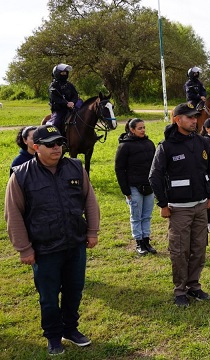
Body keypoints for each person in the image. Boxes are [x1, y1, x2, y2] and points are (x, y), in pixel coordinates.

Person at [5, 124, 100, 355]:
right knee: (48, 297)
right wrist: (24, 248)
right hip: (44, 249)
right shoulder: (21, 175)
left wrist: (92, 232)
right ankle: (53, 336)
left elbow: (90, 201)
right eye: (50, 145)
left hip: (75, 243)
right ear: (36, 147)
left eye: (59, 143)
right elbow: (13, 214)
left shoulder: (76, 167)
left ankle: (71, 329)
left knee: (74, 291)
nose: (57, 148)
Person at [148, 103, 210, 307]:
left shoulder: (202, 142)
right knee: (179, 251)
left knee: (199, 248)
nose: (194, 121)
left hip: (201, 205)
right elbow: (154, 176)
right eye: (189, 118)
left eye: (195, 117)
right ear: (177, 120)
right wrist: (163, 204)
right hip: (179, 208)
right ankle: (180, 290)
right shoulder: (167, 146)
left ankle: (194, 286)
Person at [115, 118, 157, 256]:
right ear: (131, 130)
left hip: (149, 186)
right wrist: (126, 191)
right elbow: (119, 169)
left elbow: (156, 166)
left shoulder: (150, 144)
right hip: (134, 187)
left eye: (144, 127)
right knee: (136, 216)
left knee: (147, 216)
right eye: (140, 128)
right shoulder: (124, 146)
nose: (143, 130)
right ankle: (139, 242)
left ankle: (146, 240)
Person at [48, 64, 80, 135]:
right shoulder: (53, 86)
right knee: (56, 123)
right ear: (57, 73)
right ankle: (55, 140)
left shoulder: (69, 85)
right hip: (59, 110)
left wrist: (72, 102)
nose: (64, 74)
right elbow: (55, 98)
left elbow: (75, 95)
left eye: (66, 73)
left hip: (72, 108)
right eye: (62, 73)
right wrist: (66, 103)